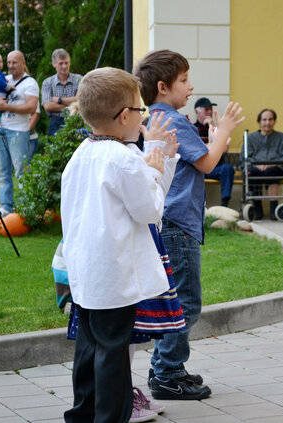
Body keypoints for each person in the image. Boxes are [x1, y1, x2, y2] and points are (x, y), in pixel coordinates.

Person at [61, 66, 179, 422]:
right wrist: (157, 168)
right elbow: (149, 210)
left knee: (89, 349)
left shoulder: (82, 153)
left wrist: (155, 163)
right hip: (114, 276)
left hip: (87, 273)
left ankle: (81, 415)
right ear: (125, 116)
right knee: (112, 353)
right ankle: (109, 417)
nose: (143, 117)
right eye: (140, 110)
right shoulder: (125, 159)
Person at [133, 49, 244, 401]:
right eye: (184, 80)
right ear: (163, 87)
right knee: (186, 303)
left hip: (171, 222)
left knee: (176, 300)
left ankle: (170, 368)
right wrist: (224, 130)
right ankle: (166, 372)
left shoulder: (158, 118)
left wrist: (213, 138)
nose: (191, 86)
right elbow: (209, 164)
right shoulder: (175, 120)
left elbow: (199, 160)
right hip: (178, 224)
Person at [0, 50, 40, 218]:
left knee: (21, 170)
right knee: (2, 171)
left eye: (14, 62)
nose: (10, 66)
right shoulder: (3, 79)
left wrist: (6, 107)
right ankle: (6, 207)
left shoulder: (30, 83)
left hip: (18, 131)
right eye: (8, 62)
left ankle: (25, 208)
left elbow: (31, 107)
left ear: (23, 63)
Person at [240, 109, 283, 219]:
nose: (267, 123)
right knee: (252, 172)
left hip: (275, 168)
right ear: (259, 122)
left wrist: (272, 164)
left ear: (274, 121)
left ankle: (274, 209)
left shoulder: (281, 138)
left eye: (270, 119)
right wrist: (257, 165)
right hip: (255, 167)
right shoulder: (250, 138)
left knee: (271, 172)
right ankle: (257, 209)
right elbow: (244, 157)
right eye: (264, 120)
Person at [194, 97, 235, 207]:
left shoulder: (218, 130)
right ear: (196, 112)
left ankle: (224, 204)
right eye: (206, 109)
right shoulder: (192, 129)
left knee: (228, 168)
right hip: (198, 168)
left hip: (215, 168)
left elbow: (225, 149)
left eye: (211, 109)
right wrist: (212, 145)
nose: (210, 112)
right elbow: (197, 151)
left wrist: (212, 127)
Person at [41, 48, 81, 136]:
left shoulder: (79, 79)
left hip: (76, 121)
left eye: (66, 63)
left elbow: (80, 100)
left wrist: (59, 100)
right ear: (54, 64)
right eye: (61, 63)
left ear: (70, 62)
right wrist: (73, 105)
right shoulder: (47, 83)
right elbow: (47, 106)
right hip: (56, 123)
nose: (64, 66)